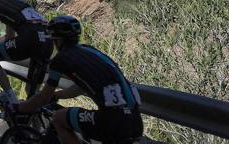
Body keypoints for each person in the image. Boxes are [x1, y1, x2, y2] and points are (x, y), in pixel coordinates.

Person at [16, 16, 143, 144]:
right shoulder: (90, 50)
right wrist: (57, 95)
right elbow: (80, 88)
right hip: (135, 121)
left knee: (58, 119)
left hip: (111, 121)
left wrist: (20, 108)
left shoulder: (60, 60)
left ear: (58, 40)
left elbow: (43, 97)